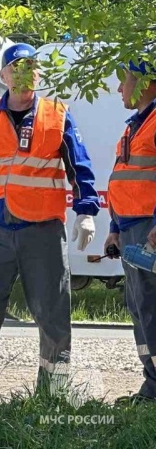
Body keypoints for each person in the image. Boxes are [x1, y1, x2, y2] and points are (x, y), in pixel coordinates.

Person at [0, 43, 99, 394]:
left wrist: (86, 210)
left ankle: (53, 392)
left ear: (38, 74)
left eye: (29, 66)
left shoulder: (57, 114)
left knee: (52, 313)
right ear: (3, 76)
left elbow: (81, 167)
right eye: (15, 66)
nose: (22, 72)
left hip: (42, 230)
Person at [104, 57, 156, 405]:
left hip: (149, 232)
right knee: (141, 310)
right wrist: (114, 229)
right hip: (132, 232)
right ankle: (152, 387)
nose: (119, 88)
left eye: (124, 80)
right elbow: (123, 180)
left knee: (151, 309)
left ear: (143, 82)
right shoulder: (135, 125)